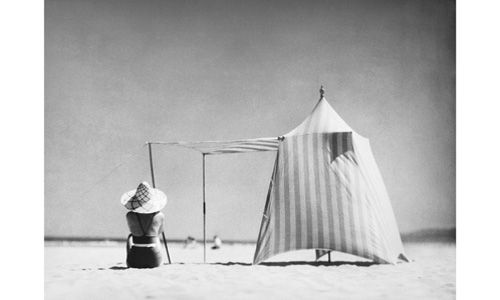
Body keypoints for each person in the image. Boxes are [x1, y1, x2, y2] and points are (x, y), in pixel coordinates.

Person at [121, 182, 167, 268]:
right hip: (153, 258)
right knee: (156, 239)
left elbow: (133, 231)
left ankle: (129, 258)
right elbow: (159, 232)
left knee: (130, 237)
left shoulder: (130, 215)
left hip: (135, 258)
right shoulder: (160, 216)